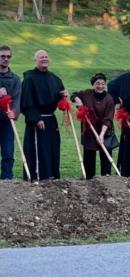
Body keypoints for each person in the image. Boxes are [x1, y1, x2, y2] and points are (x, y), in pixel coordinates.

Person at [21, 49, 68, 181]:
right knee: (39, 149)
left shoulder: (55, 78)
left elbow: (59, 100)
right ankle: (37, 176)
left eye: (46, 57)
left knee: (52, 148)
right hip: (37, 120)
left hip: (51, 120)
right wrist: (36, 118)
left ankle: (51, 175)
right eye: (41, 57)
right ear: (35, 60)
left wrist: (64, 98)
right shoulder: (29, 78)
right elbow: (26, 101)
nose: (44, 59)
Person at [71, 73, 115, 179]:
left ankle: (106, 178)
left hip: (105, 130)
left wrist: (101, 135)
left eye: (103, 84)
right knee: (89, 155)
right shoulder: (87, 94)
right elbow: (74, 95)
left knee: (105, 156)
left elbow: (108, 119)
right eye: (97, 83)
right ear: (93, 85)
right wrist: (79, 101)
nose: (100, 86)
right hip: (90, 130)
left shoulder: (109, 99)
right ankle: (89, 178)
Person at [0, 45, 21, 179]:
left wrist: (15, 112)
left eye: (8, 56)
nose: (6, 59)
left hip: (7, 121)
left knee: (8, 153)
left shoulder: (15, 79)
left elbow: (18, 98)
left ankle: (6, 181)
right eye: (2, 56)